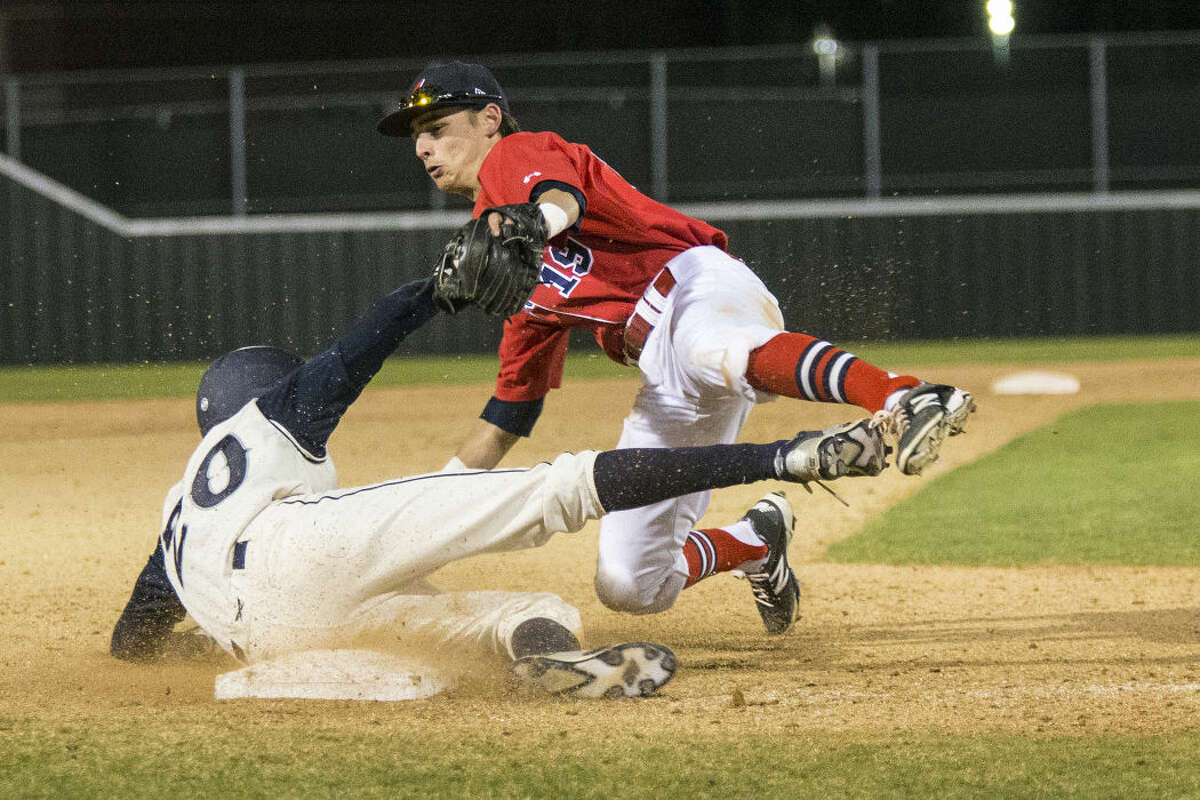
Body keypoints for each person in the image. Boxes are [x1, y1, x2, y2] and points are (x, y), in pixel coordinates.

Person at [374, 60, 977, 633]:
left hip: (693, 285)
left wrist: (534, 224)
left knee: (707, 347)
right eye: (417, 138)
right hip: (663, 367)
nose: (423, 148)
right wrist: (428, 518)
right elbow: (509, 413)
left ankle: (907, 395)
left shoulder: (521, 153)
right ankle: (756, 540)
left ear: (488, 119)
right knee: (630, 583)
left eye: (436, 128)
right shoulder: (508, 270)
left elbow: (561, 200)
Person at [110, 277, 888, 698]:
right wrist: (430, 292)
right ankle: (786, 457)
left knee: (517, 612)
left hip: (273, 635)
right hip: (299, 549)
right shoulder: (269, 416)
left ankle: (546, 658)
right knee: (561, 488)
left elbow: (131, 643)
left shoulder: (177, 512)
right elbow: (355, 353)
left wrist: (215, 636)